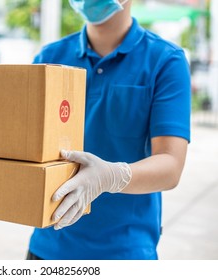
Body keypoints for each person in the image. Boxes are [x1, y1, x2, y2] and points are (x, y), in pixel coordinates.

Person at [27, 0, 191, 260]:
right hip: (49, 247)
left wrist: (111, 176)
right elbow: (22, 144)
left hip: (124, 252)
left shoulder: (165, 60)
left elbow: (171, 166)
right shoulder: (49, 58)